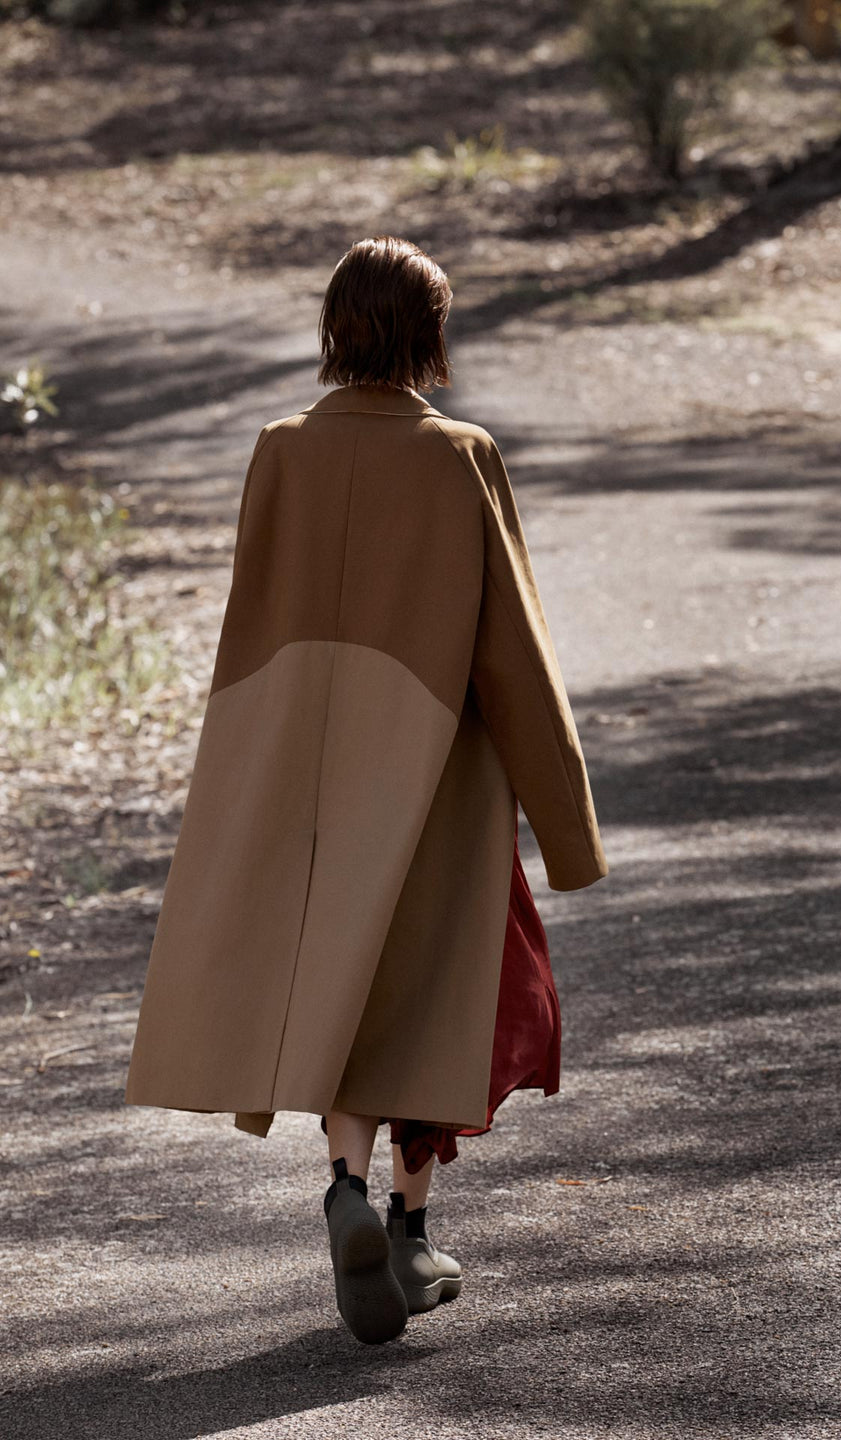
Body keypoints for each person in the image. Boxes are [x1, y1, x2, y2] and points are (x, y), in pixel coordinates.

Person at [124, 234, 609, 1345]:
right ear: (429, 336)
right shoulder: (461, 456)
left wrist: (243, 766)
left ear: (335, 330)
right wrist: (565, 822)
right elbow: (513, 650)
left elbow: (252, 615)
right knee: (432, 984)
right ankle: (408, 1226)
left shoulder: (280, 450)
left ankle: (345, 1184)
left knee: (338, 970)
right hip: (434, 763)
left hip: (300, 760)